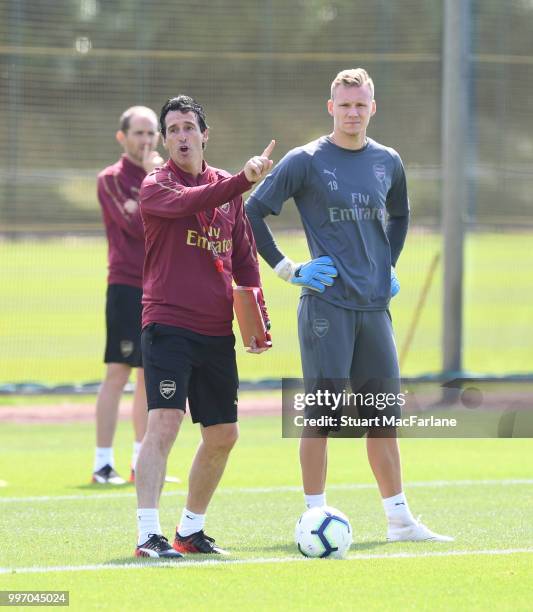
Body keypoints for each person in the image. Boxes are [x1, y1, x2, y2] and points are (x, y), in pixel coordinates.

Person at [246, 68, 453, 542]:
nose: (353, 113)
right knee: (323, 414)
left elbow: (400, 214)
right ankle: (313, 517)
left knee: (382, 415)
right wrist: (288, 268)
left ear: (372, 108)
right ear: (330, 108)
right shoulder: (306, 160)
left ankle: (400, 520)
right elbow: (252, 211)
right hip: (327, 307)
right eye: (345, 105)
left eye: (361, 105)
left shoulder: (389, 161)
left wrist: (388, 264)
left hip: (375, 306)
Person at [134, 95, 274, 558]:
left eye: (188, 127)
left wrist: (256, 321)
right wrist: (243, 181)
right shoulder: (156, 186)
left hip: (216, 331)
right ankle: (147, 535)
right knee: (165, 423)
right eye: (171, 129)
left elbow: (245, 261)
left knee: (223, 435)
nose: (180, 136)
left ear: (204, 134)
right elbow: (198, 198)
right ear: (165, 139)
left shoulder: (228, 193)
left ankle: (189, 531)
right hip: (168, 324)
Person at [94, 106, 163, 485]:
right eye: (139, 133)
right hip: (125, 285)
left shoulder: (164, 177)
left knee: (147, 375)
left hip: (159, 287)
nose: (147, 140)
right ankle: (103, 463)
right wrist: (154, 178)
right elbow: (137, 224)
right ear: (123, 137)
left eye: (151, 133)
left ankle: (141, 460)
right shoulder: (111, 179)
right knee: (118, 373)